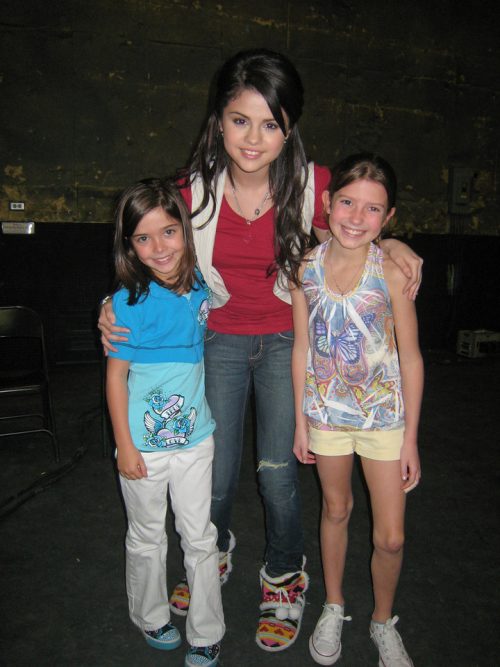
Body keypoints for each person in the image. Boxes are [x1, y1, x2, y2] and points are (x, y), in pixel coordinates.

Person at [99, 49, 423, 653]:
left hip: (286, 342)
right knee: (216, 473)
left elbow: (359, 225)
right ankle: (213, 549)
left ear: (289, 128)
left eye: (270, 123)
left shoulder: (315, 186)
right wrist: (112, 305)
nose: (253, 139)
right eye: (240, 120)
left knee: (278, 473)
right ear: (218, 121)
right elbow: (148, 249)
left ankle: (283, 574)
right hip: (216, 339)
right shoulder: (189, 193)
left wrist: (399, 245)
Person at [291, 152, 423, 666]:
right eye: (347, 202)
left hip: (383, 419)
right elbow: (302, 347)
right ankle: (334, 603)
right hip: (326, 415)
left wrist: (410, 437)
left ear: (388, 218)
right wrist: (300, 420)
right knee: (336, 509)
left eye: (373, 209)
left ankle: (382, 621)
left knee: (390, 537)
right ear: (326, 203)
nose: (356, 217)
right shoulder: (306, 267)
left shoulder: (391, 270)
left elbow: (411, 357)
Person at [105, 178, 225, 667]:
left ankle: (207, 630)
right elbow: (116, 380)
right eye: (143, 238)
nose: (159, 248)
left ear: (185, 231)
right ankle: (151, 615)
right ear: (129, 245)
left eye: (169, 232)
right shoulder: (127, 305)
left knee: (201, 537)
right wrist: (125, 446)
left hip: (196, 442)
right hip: (143, 449)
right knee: (147, 535)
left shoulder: (201, 286)